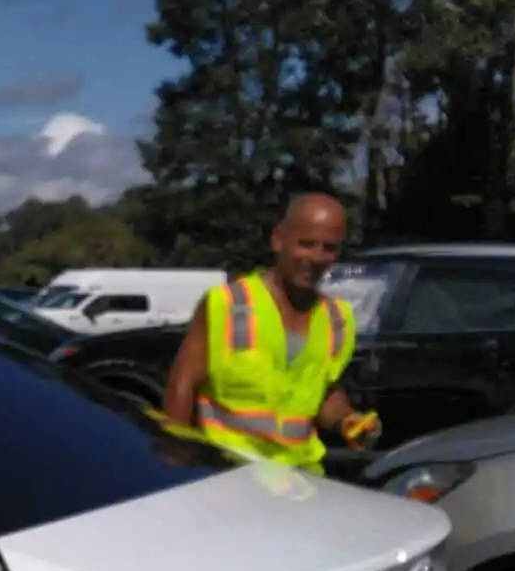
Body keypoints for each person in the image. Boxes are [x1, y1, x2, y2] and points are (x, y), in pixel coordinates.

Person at [161, 193, 380, 473]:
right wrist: (174, 466)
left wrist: (347, 420)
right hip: (229, 474)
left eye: (329, 248)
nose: (316, 257)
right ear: (278, 240)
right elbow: (181, 387)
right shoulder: (227, 304)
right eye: (306, 244)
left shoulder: (338, 319)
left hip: (301, 480)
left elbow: (322, 395)